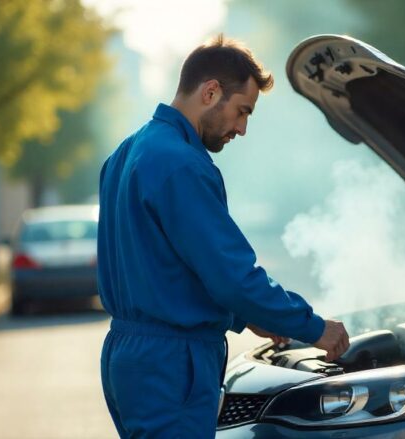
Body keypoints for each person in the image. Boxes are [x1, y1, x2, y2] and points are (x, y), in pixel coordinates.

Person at [97, 35, 350, 438]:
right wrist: (315, 327)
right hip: (172, 363)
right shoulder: (182, 164)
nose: (242, 128)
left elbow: (165, 267)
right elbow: (232, 275)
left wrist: (246, 317)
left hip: (128, 358)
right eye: (241, 111)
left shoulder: (127, 153)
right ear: (211, 91)